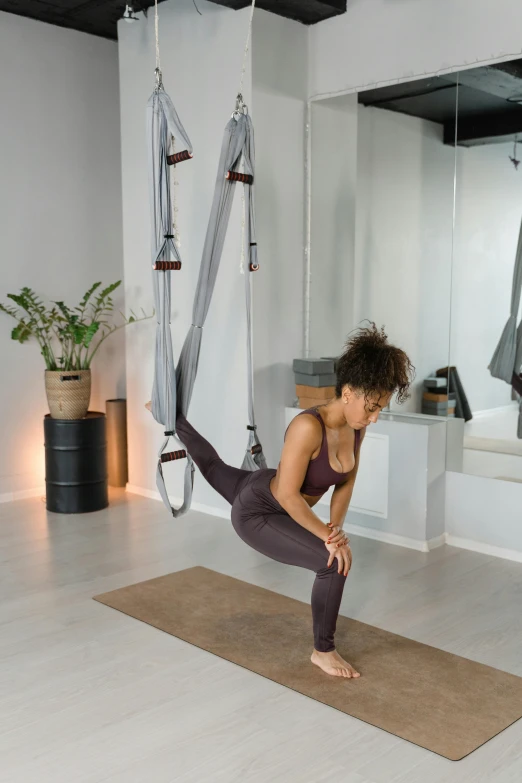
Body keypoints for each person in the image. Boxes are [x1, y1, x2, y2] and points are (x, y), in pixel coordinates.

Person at [148, 324, 414, 678]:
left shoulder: (356, 425)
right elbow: (289, 496)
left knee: (214, 468)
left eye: (380, 408)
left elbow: (346, 480)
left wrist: (335, 527)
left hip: (264, 483)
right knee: (333, 562)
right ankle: (324, 651)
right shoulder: (308, 427)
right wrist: (329, 539)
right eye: (372, 407)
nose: (375, 416)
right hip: (260, 510)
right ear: (349, 392)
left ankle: (169, 416)